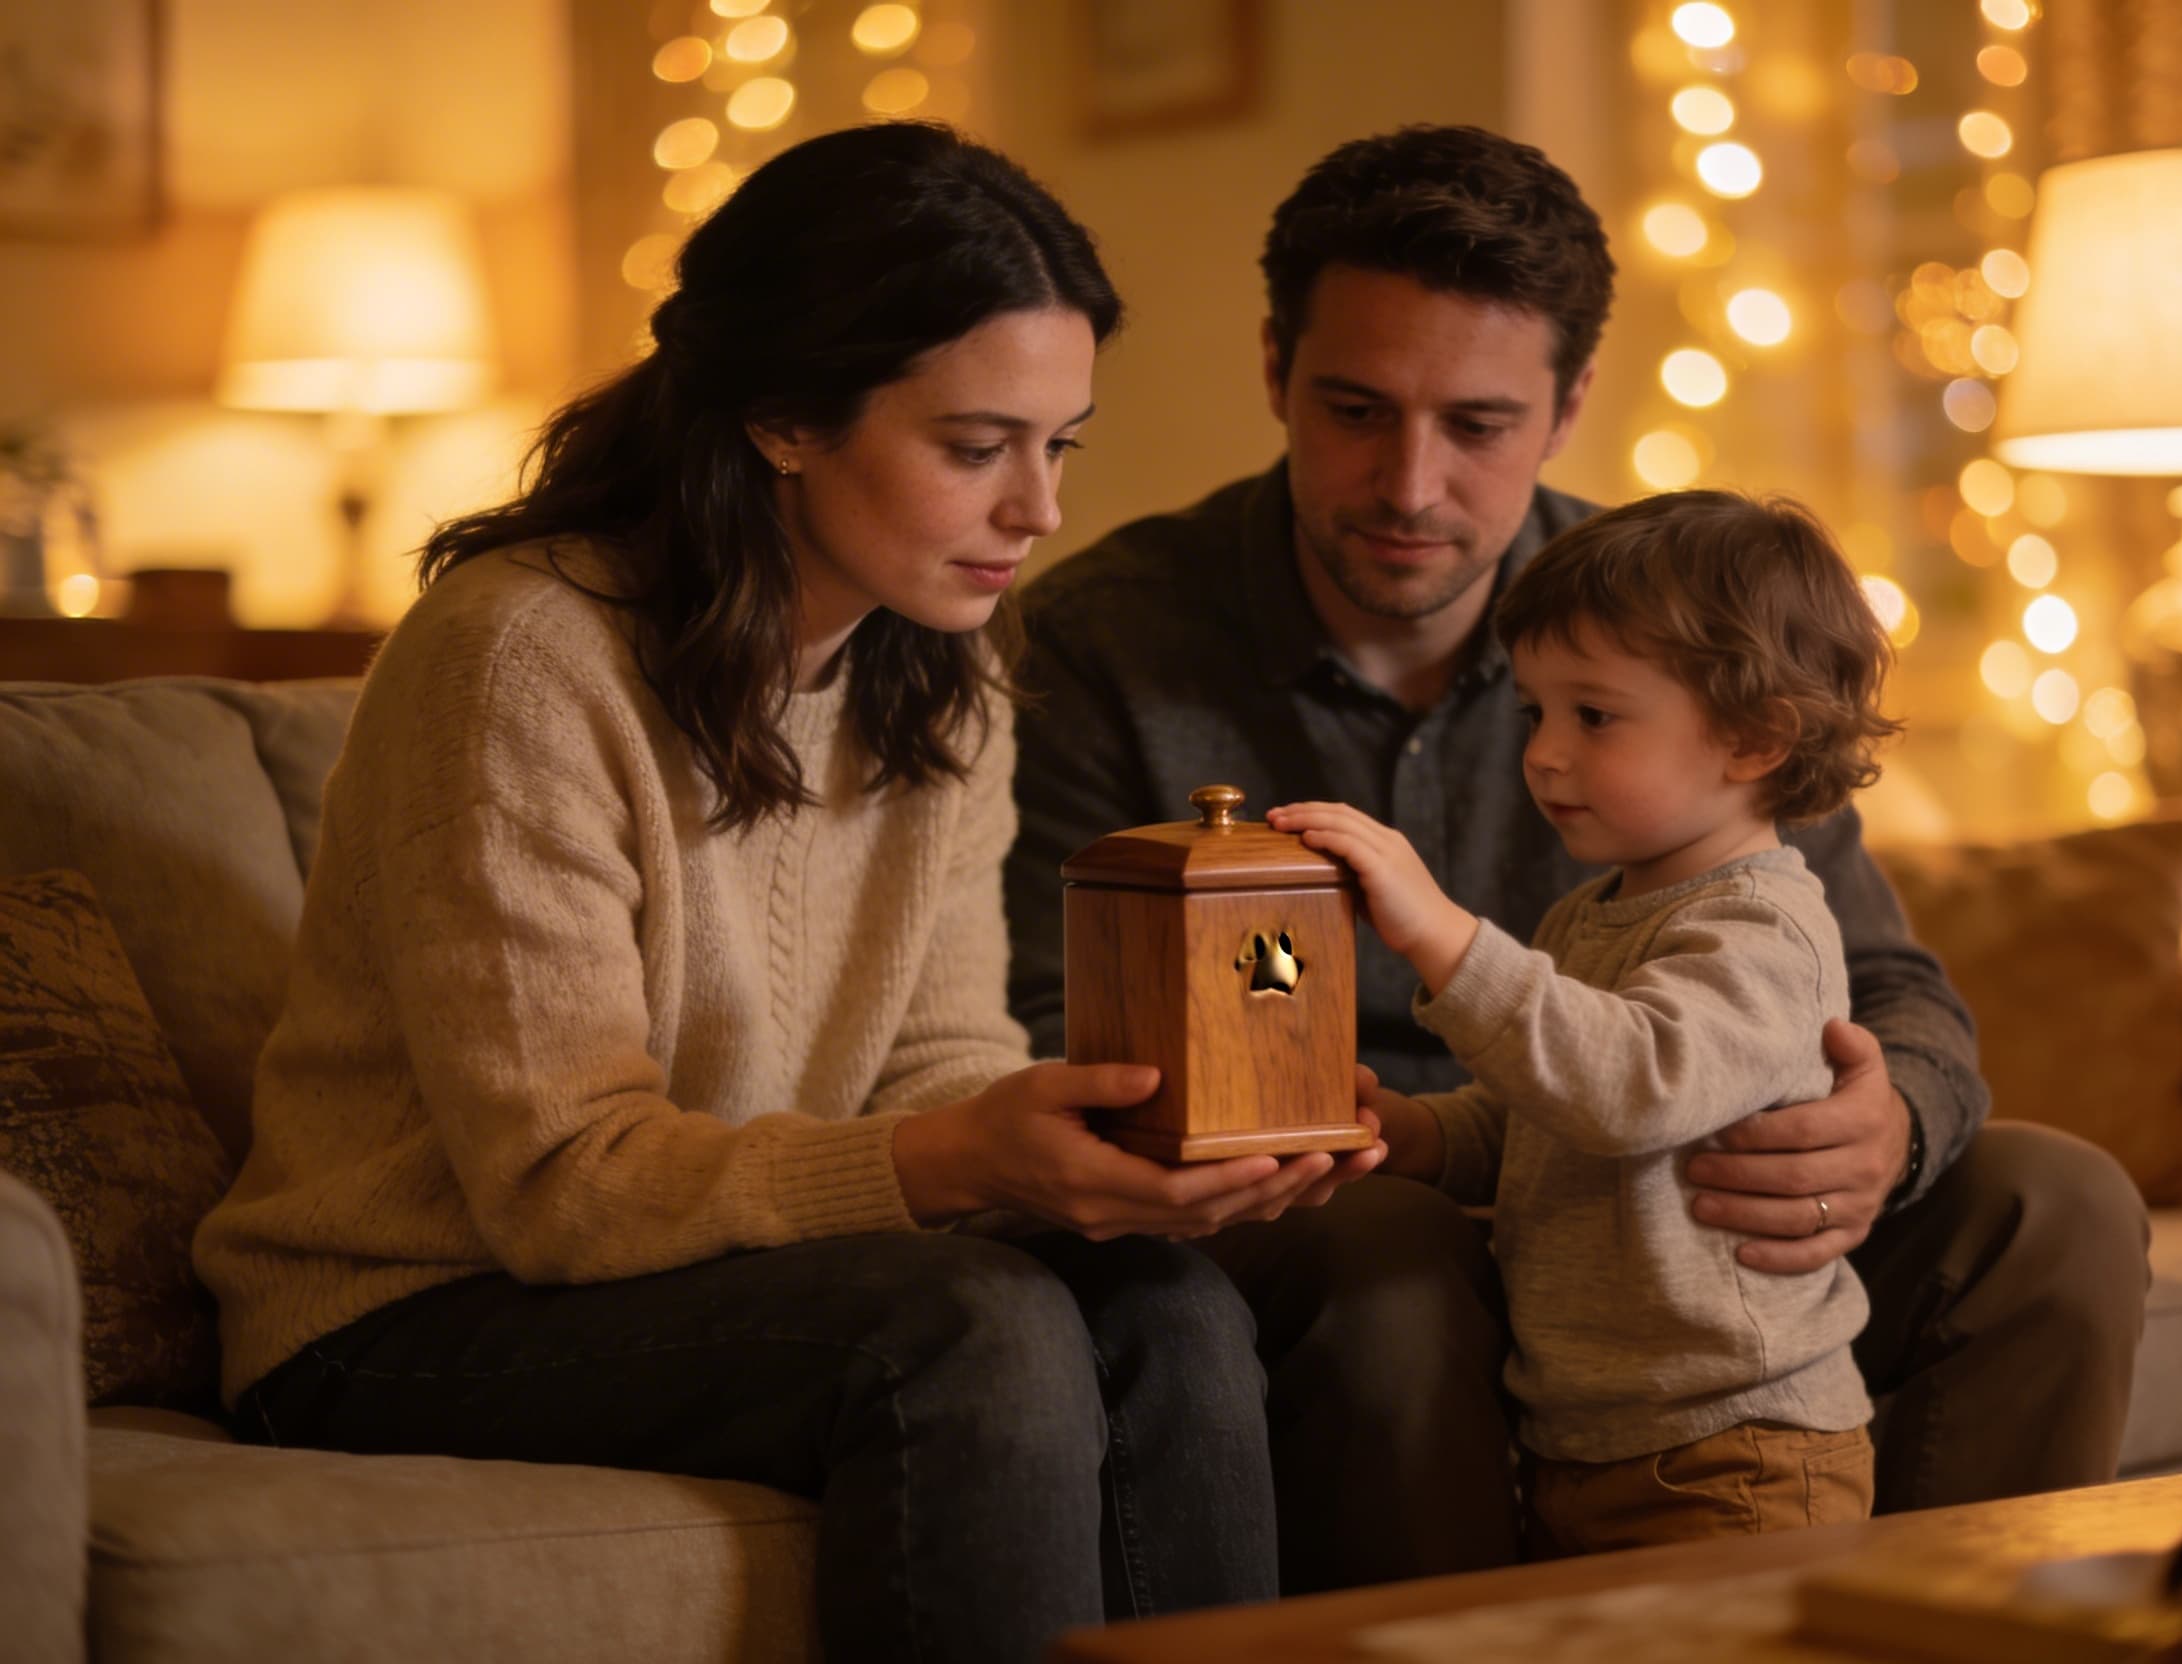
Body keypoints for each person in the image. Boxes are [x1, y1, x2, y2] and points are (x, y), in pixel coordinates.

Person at [192, 123, 1382, 1664]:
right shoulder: (519, 660)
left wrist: (1102, 1143)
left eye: (1059, 443)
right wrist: (958, 1163)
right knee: (975, 1330)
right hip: (403, 1309)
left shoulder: (944, 688)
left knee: (1166, 1300)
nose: (1041, 510)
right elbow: (558, 1184)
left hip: (720, 1268)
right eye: (976, 447)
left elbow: (933, 1062)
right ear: (783, 417)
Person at [1006, 124, 2151, 1592]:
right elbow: (1051, 1027)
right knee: (1392, 1259)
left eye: (1477, 424)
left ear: (1567, 407)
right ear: (1275, 367)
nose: (1409, 484)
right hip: (1333, 1204)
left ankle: (1960, 1630)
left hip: (1660, 1206)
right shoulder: (1102, 643)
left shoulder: (1677, 630)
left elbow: (1886, 987)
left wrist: (1888, 1131)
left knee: (2052, 1205)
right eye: (1356, 410)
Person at [1268, 489, 1903, 1555]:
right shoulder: (1598, 909)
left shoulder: (1761, 929)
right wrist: (1419, 1134)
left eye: (1593, 715)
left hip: (1735, 1448)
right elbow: (1546, 1115)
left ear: (1752, 737)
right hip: (1586, 1438)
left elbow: (1629, 1086)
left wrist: (1438, 931)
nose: (1546, 753)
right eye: (1536, 712)